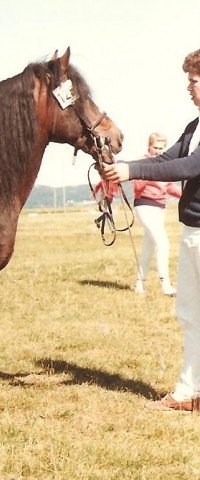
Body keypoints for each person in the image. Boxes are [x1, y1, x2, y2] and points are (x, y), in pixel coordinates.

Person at [102, 48, 200, 412]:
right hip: (192, 230)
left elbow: (189, 167)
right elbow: (165, 160)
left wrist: (131, 172)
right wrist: (123, 165)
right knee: (190, 314)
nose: (187, 88)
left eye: (192, 80)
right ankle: (188, 393)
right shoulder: (194, 127)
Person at [132, 133, 181, 296]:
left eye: (161, 148)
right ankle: (166, 285)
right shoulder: (143, 163)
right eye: (156, 147)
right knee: (163, 243)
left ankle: (139, 285)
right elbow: (138, 187)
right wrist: (150, 171)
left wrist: (185, 194)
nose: (158, 151)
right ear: (149, 146)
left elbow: (170, 187)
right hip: (144, 205)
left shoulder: (163, 164)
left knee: (149, 247)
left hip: (160, 207)